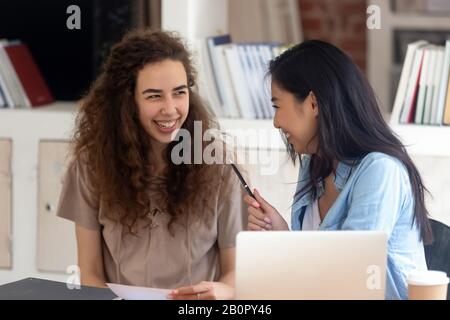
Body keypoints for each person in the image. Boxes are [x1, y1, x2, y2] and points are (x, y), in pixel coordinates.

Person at [56, 29, 247, 300]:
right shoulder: (90, 166)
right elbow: (90, 272)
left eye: (179, 93)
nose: (170, 109)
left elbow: (235, 271)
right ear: (128, 101)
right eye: (154, 96)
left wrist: (223, 290)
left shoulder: (221, 165)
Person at [243, 40, 433, 300]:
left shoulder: (380, 170)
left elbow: (351, 277)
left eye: (277, 106)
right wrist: (282, 235)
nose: (276, 122)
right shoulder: (313, 163)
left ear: (313, 103)